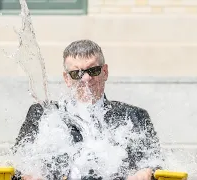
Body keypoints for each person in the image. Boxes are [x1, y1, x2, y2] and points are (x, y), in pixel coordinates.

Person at [11, 40, 164, 180]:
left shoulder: (134, 116)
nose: (85, 79)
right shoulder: (43, 114)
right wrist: (28, 175)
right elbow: (17, 164)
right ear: (67, 79)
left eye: (93, 71)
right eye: (76, 73)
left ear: (105, 72)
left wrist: (145, 173)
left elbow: (156, 164)